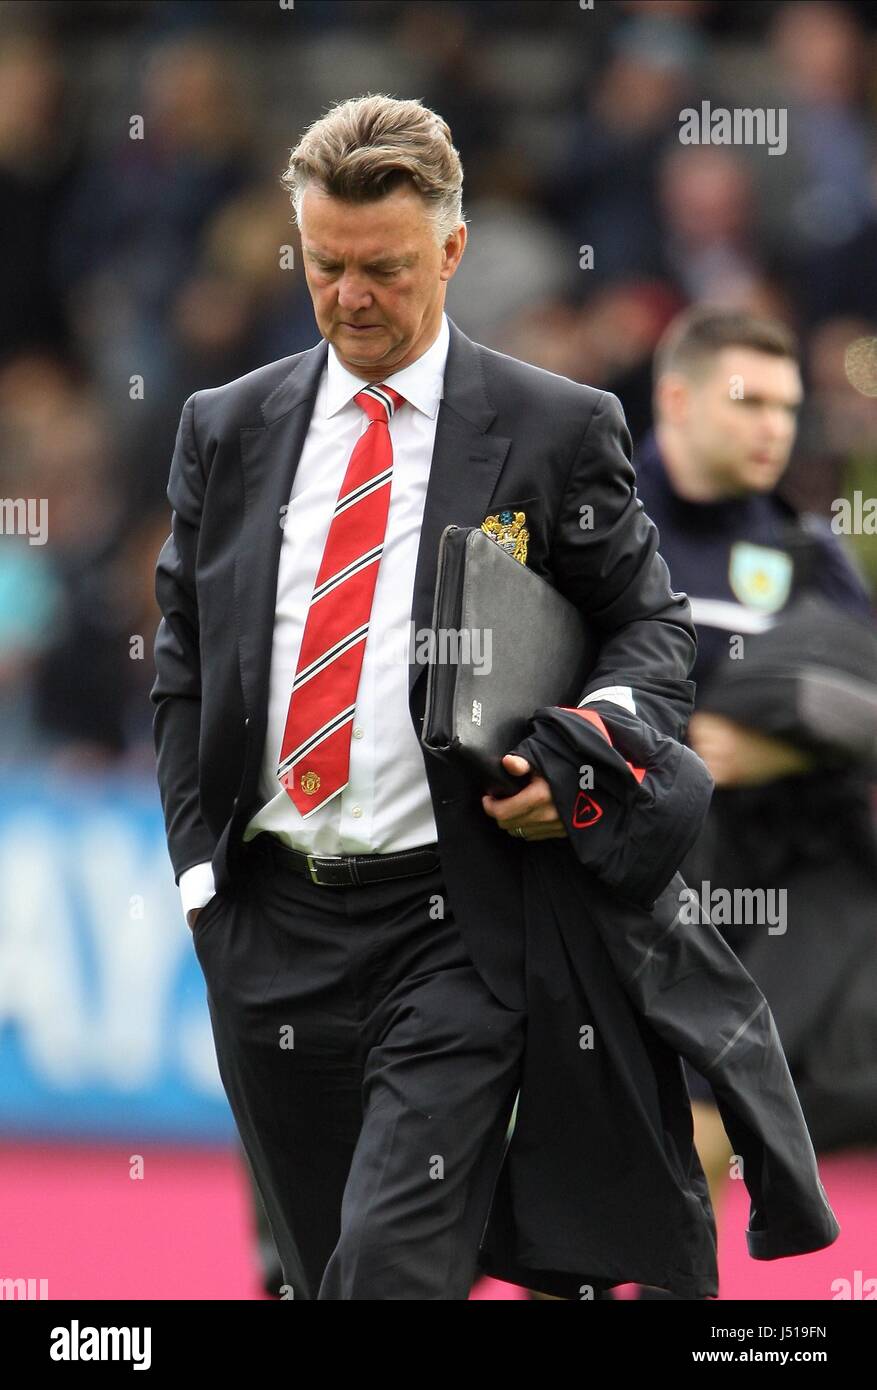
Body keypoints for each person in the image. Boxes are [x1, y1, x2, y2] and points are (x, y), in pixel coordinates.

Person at [149, 93, 697, 1301]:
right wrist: (202, 876)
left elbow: (648, 622)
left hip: (452, 925)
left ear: (451, 253)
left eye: (386, 270)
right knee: (311, 1274)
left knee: (391, 1270)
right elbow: (183, 657)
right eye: (327, 267)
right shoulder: (224, 428)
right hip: (267, 930)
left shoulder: (556, 429)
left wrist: (599, 737)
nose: (352, 297)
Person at [634, 305, 877, 1239]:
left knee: (700, 1130)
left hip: (780, 887)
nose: (774, 425)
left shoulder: (805, 555)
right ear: (678, 398)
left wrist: (775, 740)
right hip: (630, 881)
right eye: (748, 401)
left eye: (785, 405)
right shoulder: (596, 523)